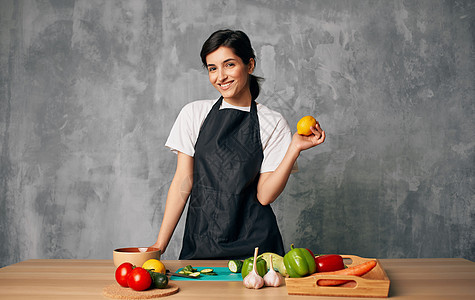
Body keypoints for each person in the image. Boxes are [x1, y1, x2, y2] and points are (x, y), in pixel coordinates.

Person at [152, 29, 325, 260]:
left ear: (250, 65)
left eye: (229, 64)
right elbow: (184, 180)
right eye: (212, 68)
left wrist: (293, 149)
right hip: (202, 242)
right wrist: (159, 246)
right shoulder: (193, 114)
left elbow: (264, 195)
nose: (220, 76)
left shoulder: (272, 122)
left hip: (256, 252)